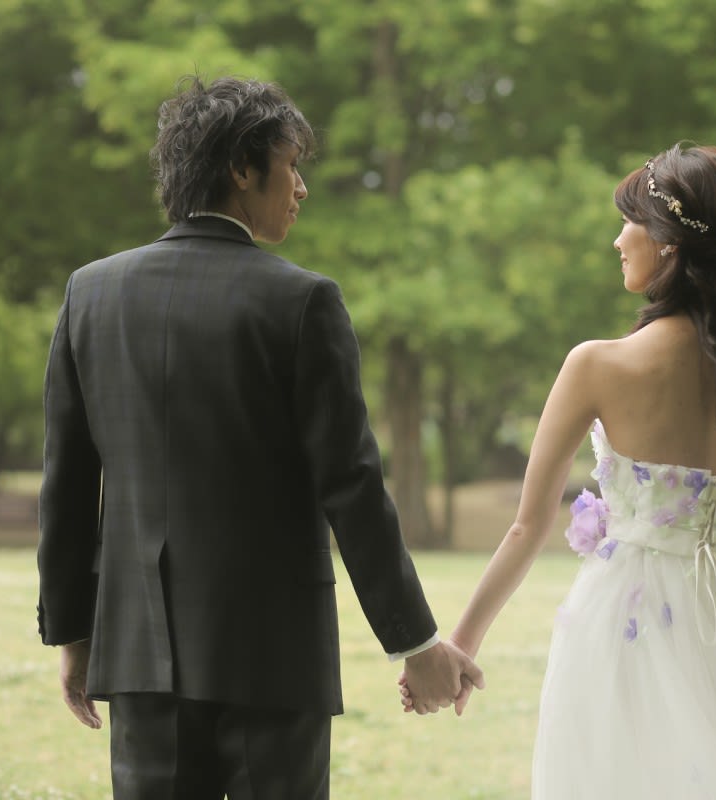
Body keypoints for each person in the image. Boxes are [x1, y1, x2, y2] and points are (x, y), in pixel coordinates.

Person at [37, 76, 482, 800]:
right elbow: (352, 487)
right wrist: (415, 641)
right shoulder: (303, 301)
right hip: (274, 661)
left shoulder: (90, 294)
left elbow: (67, 483)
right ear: (242, 168)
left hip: (140, 656)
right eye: (291, 164)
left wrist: (74, 634)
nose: (301, 187)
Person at [403, 144, 716, 797]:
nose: (618, 240)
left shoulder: (597, 365)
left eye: (630, 222)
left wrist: (463, 643)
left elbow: (527, 527)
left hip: (624, 622)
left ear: (669, 242)